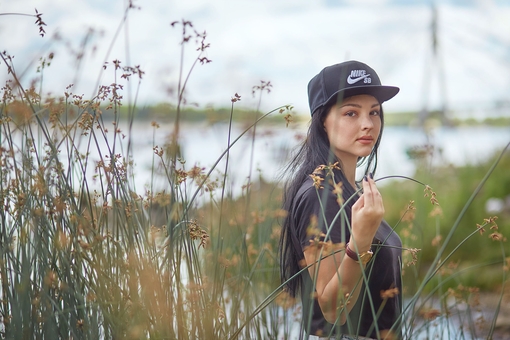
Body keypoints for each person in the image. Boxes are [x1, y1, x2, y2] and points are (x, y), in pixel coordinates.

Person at [279, 60, 402, 340]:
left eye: (374, 112)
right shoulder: (319, 194)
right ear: (323, 120)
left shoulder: (350, 189)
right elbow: (334, 311)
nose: (368, 124)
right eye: (350, 113)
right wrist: (360, 242)